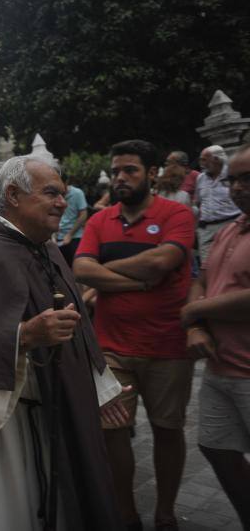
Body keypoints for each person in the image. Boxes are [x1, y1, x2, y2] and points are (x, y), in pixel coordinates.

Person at [0, 155, 125, 531]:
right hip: (9, 420)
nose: (62, 203)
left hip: (57, 401)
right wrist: (24, 336)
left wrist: (100, 388)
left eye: (64, 195)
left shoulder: (46, 247)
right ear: (14, 195)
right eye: (51, 193)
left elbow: (78, 325)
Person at [74, 139, 195, 531]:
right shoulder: (98, 220)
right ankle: (125, 513)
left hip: (167, 346)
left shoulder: (177, 214)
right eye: (116, 171)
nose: (120, 178)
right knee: (112, 431)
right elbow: (83, 271)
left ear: (152, 174)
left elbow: (166, 258)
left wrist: (109, 273)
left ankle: (165, 511)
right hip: (111, 348)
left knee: (167, 429)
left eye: (130, 170)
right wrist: (139, 281)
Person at [181, 143, 250, 529]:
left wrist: (196, 311)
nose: (237, 188)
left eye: (247, 179)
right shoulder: (229, 229)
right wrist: (193, 325)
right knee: (216, 446)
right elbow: (202, 279)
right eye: (233, 180)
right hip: (220, 369)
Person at [196, 145, 241, 263]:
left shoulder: (232, 174)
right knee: (206, 265)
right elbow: (198, 201)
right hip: (206, 228)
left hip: (229, 224)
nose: (201, 163)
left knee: (230, 261)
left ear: (216, 159)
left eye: (204, 159)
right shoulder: (200, 178)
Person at [56, 173, 88, 266]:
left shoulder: (77, 193)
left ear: (66, 182)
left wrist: (70, 234)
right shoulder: (54, 195)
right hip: (58, 236)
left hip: (75, 236)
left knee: (74, 266)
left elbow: (83, 215)